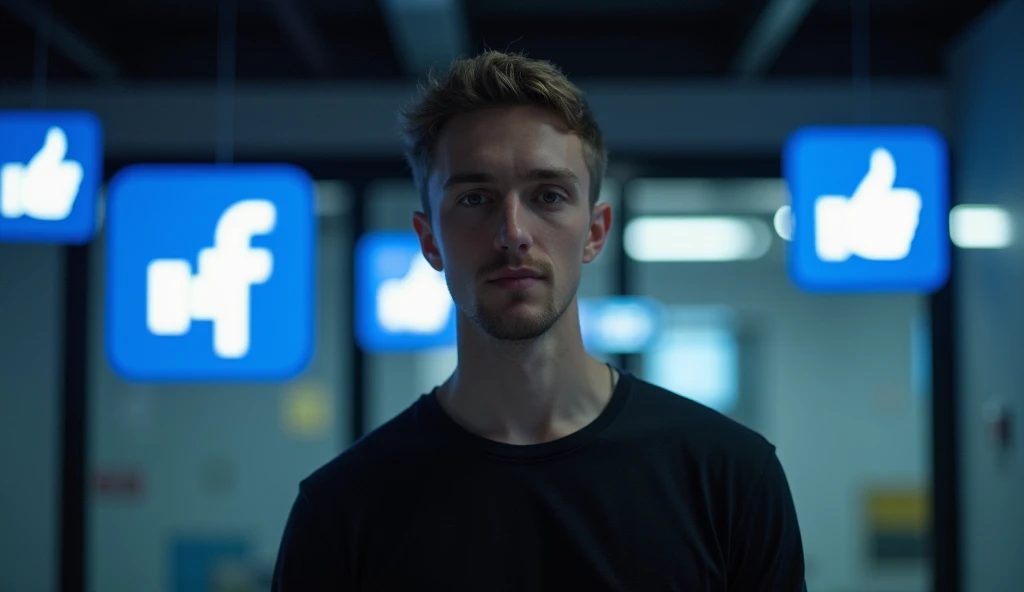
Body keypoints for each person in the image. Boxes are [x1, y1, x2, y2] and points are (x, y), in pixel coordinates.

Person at [272, 50, 807, 591]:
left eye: (548, 196)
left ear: (596, 232)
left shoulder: (729, 478)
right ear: (430, 239)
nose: (513, 232)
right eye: (475, 197)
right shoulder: (342, 509)